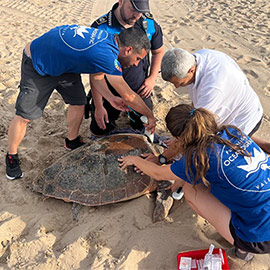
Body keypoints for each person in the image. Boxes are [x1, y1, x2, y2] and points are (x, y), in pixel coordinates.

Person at [119, 104, 270, 260]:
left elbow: (157, 173)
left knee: (191, 190)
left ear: (180, 138)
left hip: (261, 238)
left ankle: (243, 251)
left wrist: (134, 160)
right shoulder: (232, 132)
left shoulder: (198, 158)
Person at [6, 24, 156, 180]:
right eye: (138, 59)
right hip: (37, 63)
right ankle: (11, 156)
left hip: (64, 65)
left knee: (79, 102)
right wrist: (149, 115)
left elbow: (97, 77)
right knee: (25, 116)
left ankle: (71, 141)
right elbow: (129, 96)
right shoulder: (105, 54)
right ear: (129, 50)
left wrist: (110, 99)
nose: (137, 64)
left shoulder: (109, 39)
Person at [160, 48, 270, 155]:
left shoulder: (213, 87)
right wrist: (177, 141)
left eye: (179, 83)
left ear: (191, 70)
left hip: (245, 117)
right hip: (232, 109)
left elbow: (196, 128)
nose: (177, 86)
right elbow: (195, 107)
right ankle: (266, 146)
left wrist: (164, 156)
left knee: (211, 153)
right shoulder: (196, 59)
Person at [89, 0, 164, 135]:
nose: (136, 15)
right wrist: (99, 106)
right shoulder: (100, 28)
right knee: (99, 129)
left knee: (144, 128)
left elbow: (158, 51)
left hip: (139, 89)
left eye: (140, 11)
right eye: (133, 9)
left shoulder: (148, 24)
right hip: (109, 91)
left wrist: (152, 78)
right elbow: (95, 74)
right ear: (121, 1)